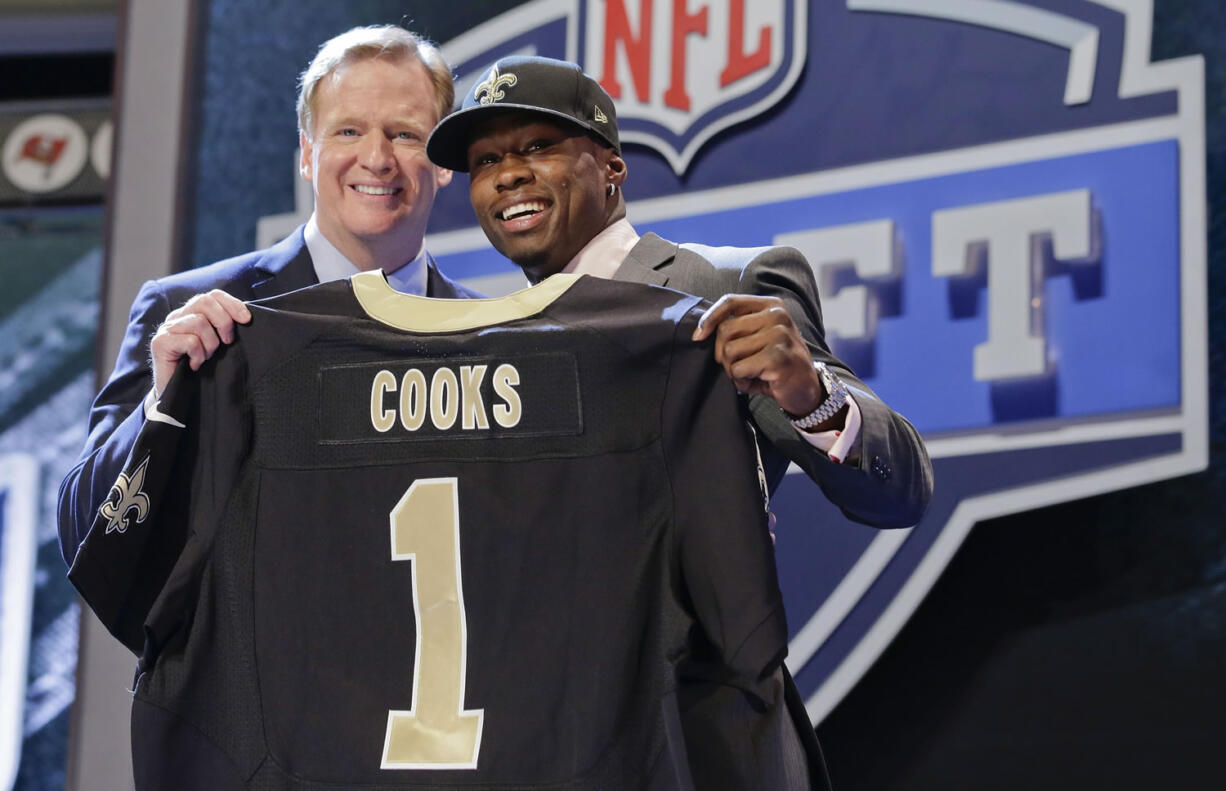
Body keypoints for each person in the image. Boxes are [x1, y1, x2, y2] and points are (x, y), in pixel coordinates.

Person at [426, 55, 933, 525]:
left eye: (538, 147)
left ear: (612, 168)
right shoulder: (494, 340)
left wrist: (812, 396)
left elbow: (899, 494)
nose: (508, 175)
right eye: (486, 161)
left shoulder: (722, 286)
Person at [58, 25, 478, 563]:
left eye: (404, 134)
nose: (377, 159)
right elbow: (83, 535)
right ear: (307, 153)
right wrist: (160, 410)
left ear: (442, 162)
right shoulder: (181, 312)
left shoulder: (485, 333)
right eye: (348, 132)